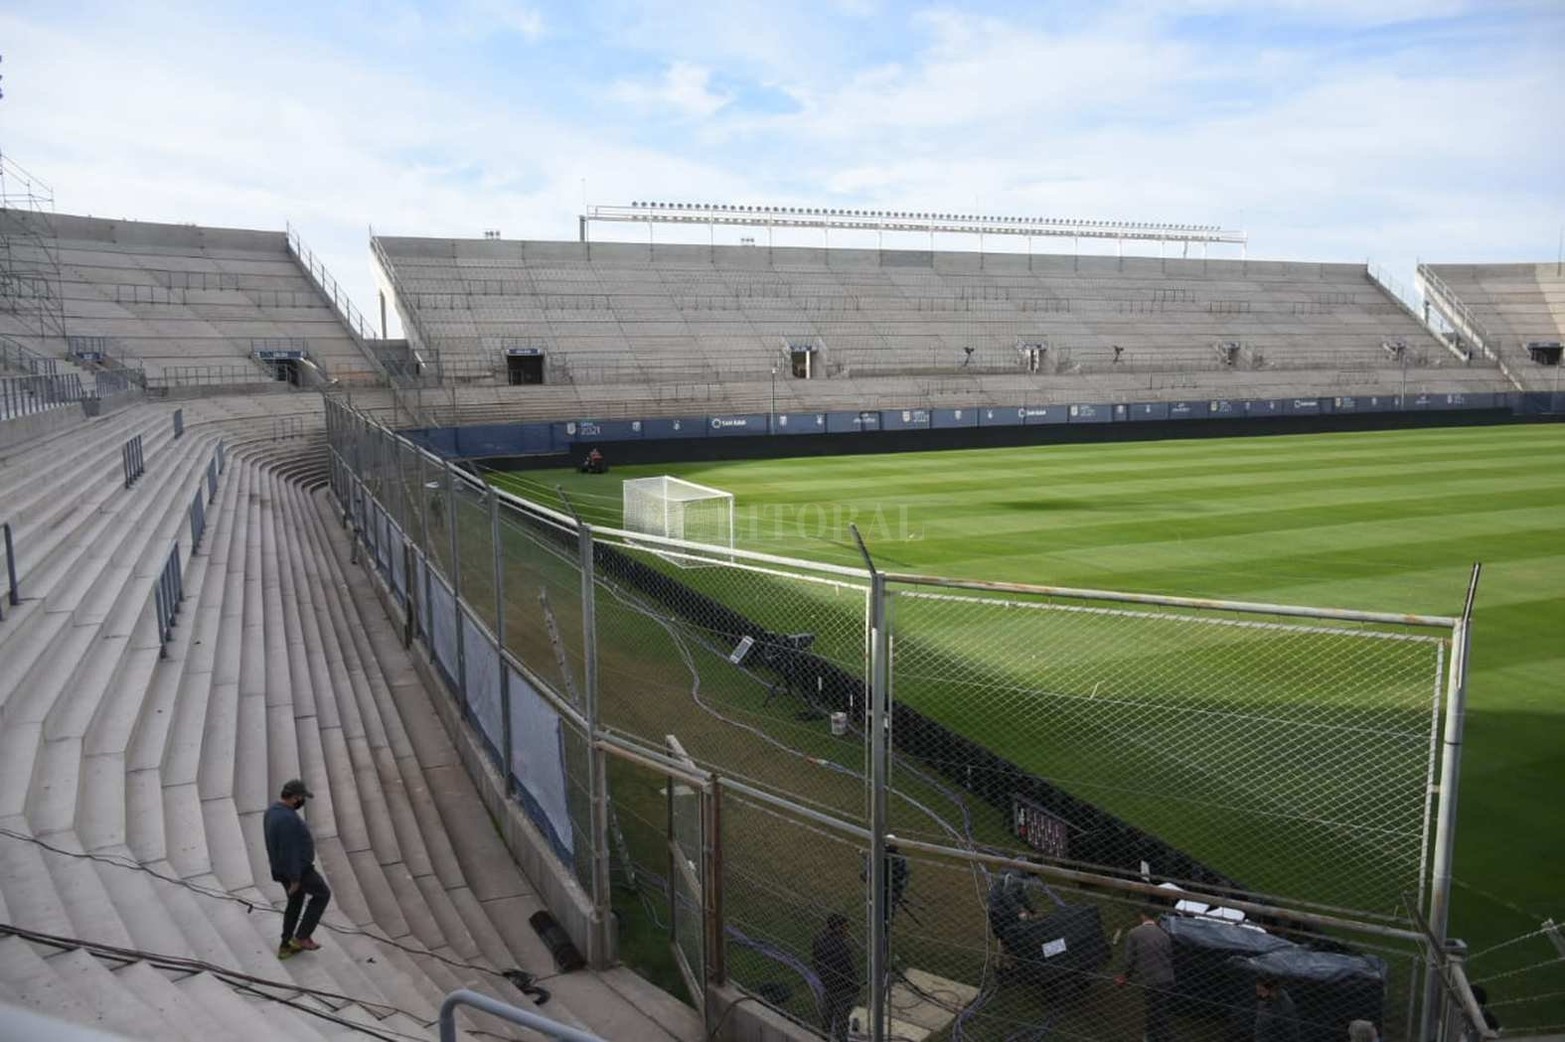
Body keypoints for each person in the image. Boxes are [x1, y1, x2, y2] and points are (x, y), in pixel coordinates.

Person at [263, 778, 332, 960]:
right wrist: (295, 878)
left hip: (282, 869)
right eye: (302, 798)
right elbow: (289, 850)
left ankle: (286, 945)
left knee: (295, 903)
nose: (302, 801)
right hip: (298, 870)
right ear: (294, 798)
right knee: (322, 894)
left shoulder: (272, 811)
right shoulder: (287, 819)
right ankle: (302, 937)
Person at [1115, 907, 1175, 1042]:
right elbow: (1170, 956)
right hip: (1167, 977)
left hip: (1151, 978)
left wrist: (1125, 976)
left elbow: (1130, 959)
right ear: (1157, 918)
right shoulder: (1164, 935)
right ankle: (1152, 1036)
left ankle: (1161, 1037)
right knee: (1158, 1009)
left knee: (1156, 1012)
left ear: (1143, 916)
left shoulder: (1134, 933)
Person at [812, 913, 860, 1042]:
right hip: (843, 988)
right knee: (841, 1021)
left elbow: (815, 960)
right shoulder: (843, 947)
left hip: (828, 984)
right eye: (845, 927)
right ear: (838, 927)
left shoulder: (819, 939)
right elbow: (848, 970)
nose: (847, 930)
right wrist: (855, 985)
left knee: (827, 1016)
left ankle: (824, 1037)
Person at [1254, 976, 1301, 1042]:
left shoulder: (1285, 1005)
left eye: (1261, 990)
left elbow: (1291, 1033)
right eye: (1257, 990)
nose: (1258, 994)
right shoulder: (1263, 1000)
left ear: (1272, 989)